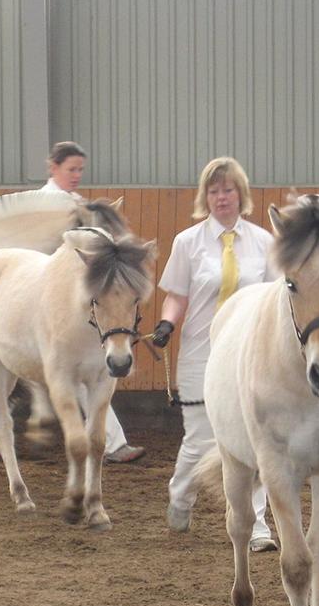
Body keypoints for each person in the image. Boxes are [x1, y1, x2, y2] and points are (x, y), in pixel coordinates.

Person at [151, 157, 278, 551]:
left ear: (242, 195)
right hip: (202, 353)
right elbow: (177, 294)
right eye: (214, 190)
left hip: (249, 356)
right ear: (205, 197)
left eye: (228, 190)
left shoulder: (265, 243)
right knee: (201, 438)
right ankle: (181, 495)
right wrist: (167, 324)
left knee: (254, 443)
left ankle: (256, 524)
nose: (221, 197)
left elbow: (275, 298)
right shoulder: (188, 243)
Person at [40, 141, 145, 465]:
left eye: (80, 170)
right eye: (71, 169)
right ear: (53, 167)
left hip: (78, 300)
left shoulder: (79, 204)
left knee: (91, 371)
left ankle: (112, 442)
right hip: (50, 293)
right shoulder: (46, 204)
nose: (76, 175)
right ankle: (111, 442)